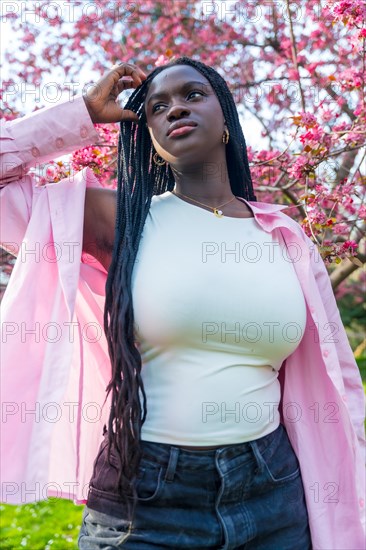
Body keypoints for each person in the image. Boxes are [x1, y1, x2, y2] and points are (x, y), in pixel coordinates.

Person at [0, 57, 365, 550]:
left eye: (193, 95)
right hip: (146, 499)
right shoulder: (118, 220)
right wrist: (82, 113)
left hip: (272, 491)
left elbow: (337, 375)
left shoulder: (286, 238)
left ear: (226, 119)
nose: (175, 109)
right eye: (156, 107)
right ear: (147, 133)